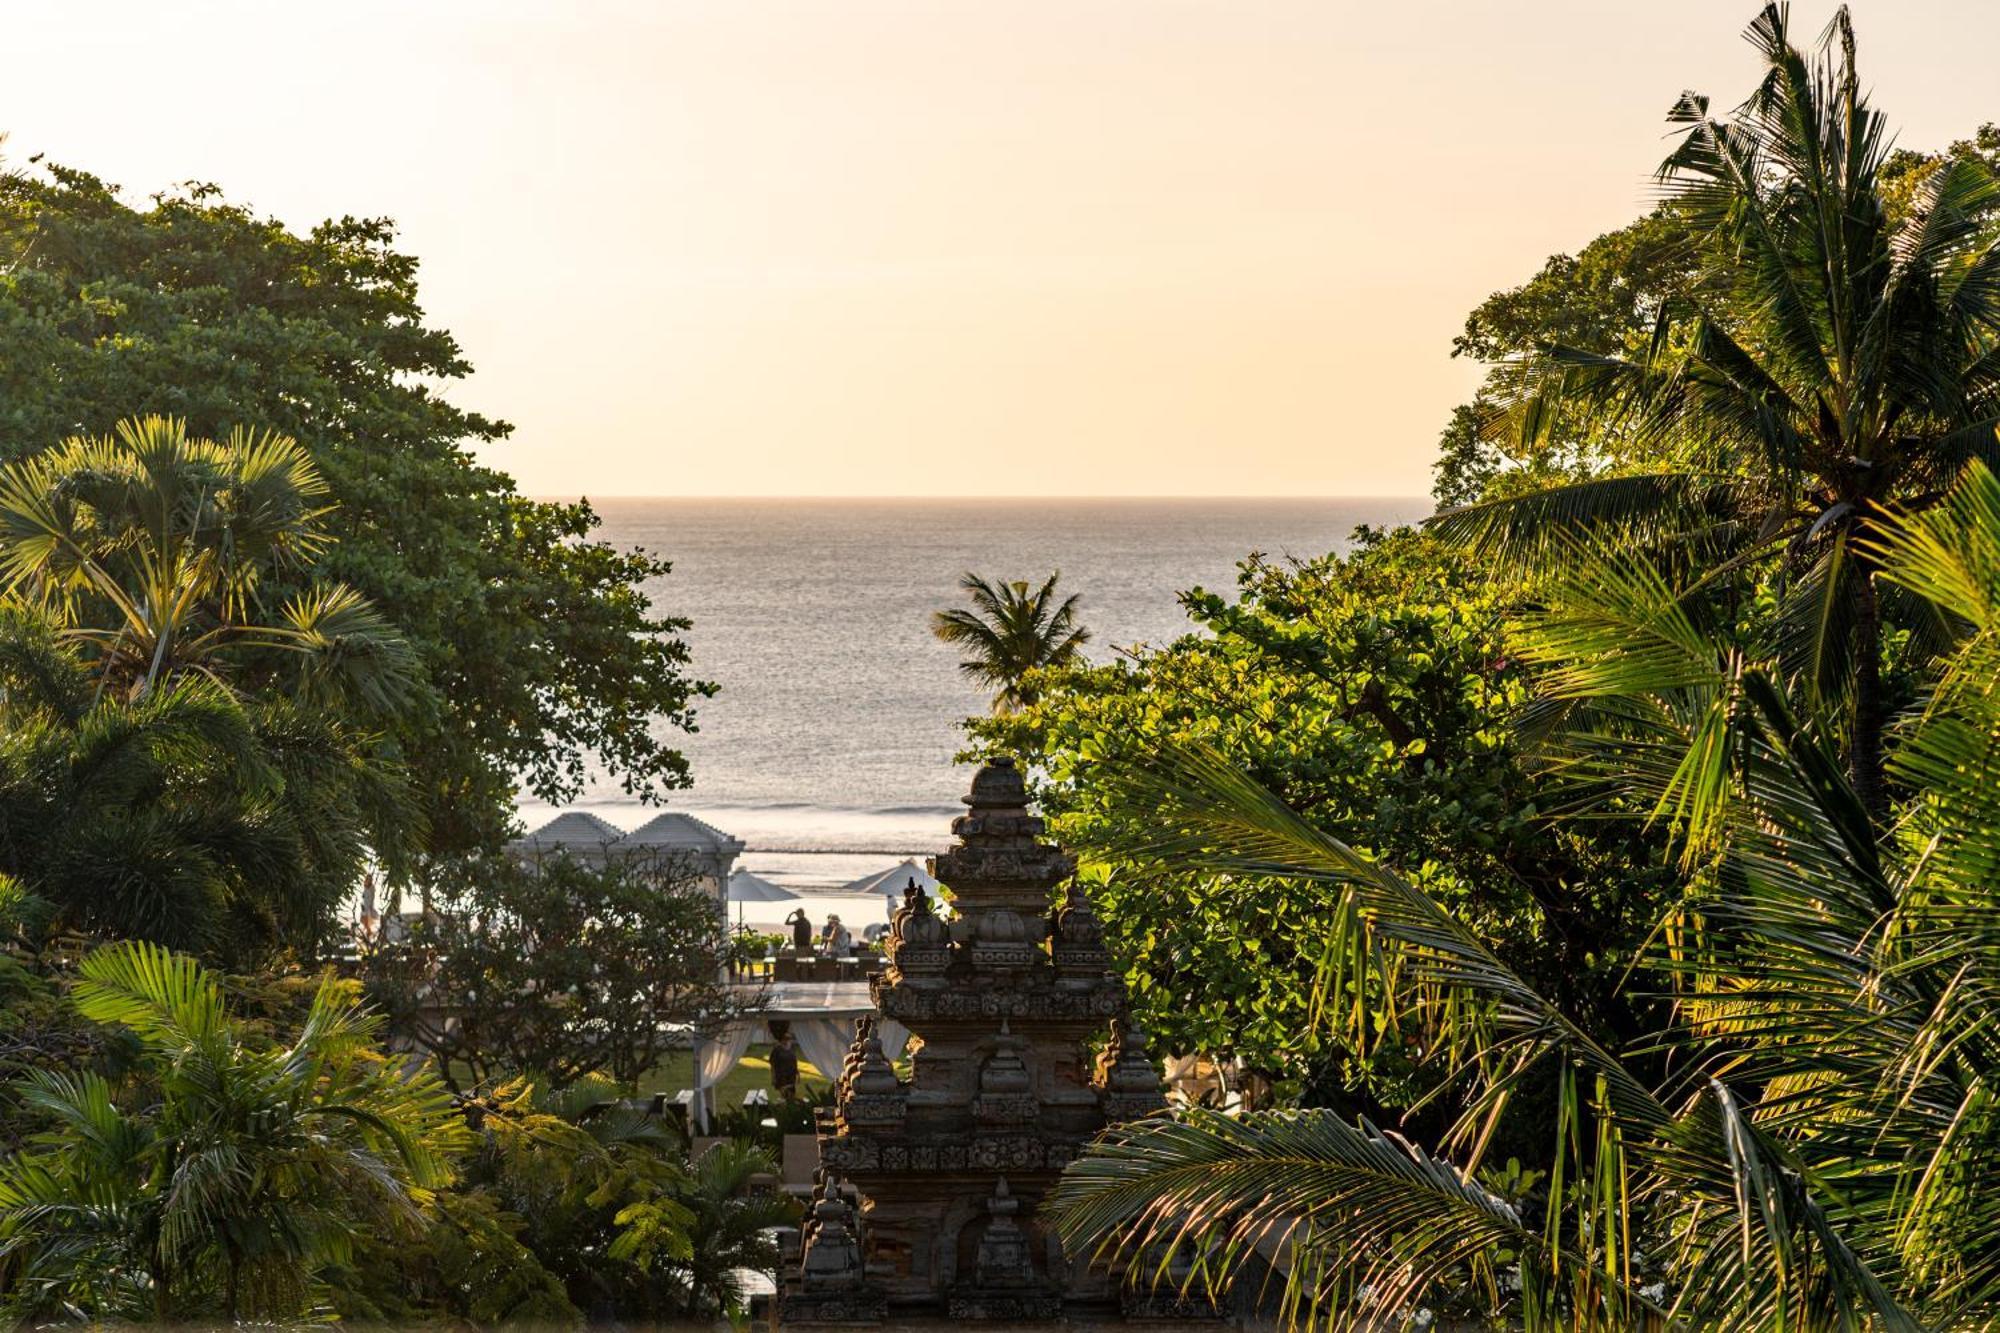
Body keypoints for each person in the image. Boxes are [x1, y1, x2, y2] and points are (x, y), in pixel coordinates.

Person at [769, 1028, 800, 1102]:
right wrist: (773, 1077)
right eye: (785, 1038)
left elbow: (794, 1062)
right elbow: (772, 1064)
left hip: (792, 1076)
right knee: (784, 1096)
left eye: (789, 1039)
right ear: (781, 1039)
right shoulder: (777, 1049)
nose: (787, 1040)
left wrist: (798, 1074)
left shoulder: (792, 1048)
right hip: (781, 1077)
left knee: (792, 1097)